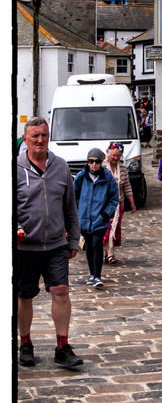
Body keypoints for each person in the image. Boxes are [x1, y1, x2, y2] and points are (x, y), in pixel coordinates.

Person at [15, 118, 83, 369]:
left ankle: (62, 347)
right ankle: (26, 343)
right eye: (35, 136)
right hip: (25, 247)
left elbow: (70, 207)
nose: (40, 140)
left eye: (44, 135)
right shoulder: (14, 168)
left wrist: (73, 238)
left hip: (55, 244)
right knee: (25, 296)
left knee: (61, 291)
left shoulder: (61, 166)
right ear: (25, 139)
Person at [72, 150, 119, 289]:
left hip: (99, 218)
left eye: (97, 161)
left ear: (101, 162)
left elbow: (113, 198)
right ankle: (92, 274)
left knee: (97, 243)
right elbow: (73, 195)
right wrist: (76, 212)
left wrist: (105, 214)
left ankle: (97, 276)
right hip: (84, 218)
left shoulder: (107, 177)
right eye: (91, 161)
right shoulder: (81, 176)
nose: (94, 164)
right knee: (89, 247)